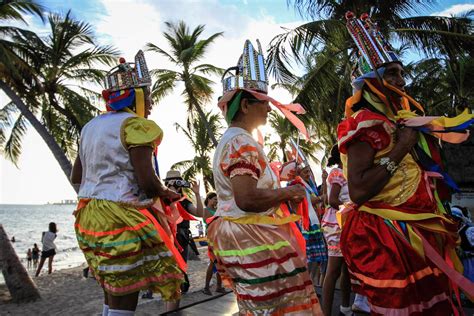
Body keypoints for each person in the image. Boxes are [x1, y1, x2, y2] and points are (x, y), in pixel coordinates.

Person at [337, 12, 472, 315]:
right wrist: (402, 147)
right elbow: (358, 191)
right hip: (387, 238)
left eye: (401, 73)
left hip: (414, 234)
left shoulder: (400, 121)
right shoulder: (365, 123)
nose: (401, 81)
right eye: (391, 74)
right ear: (371, 82)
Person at [207, 39, 322, 315]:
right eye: (264, 102)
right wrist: (287, 193)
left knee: (262, 304)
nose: (270, 109)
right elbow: (246, 198)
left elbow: (248, 183)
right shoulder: (241, 143)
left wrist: (281, 175)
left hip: (243, 233)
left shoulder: (235, 140)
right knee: (274, 305)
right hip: (252, 235)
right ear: (245, 106)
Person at [71, 51, 184, 315]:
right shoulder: (136, 125)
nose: (152, 104)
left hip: (88, 214)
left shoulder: (90, 127)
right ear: (138, 96)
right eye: (149, 96)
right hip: (120, 216)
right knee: (127, 294)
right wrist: (166, 192)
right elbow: (147, 182)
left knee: (111, 288)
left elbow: (77, 177)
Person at [320, 145, 352, 316]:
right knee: (333, 270)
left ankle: (345, 308)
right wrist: (352, 208)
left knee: (346, 269)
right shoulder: (338, 172)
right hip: (336, 224)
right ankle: (325, 312)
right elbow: (332, 200)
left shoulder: (347, 172)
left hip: (346, 222)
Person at [164, 171, 205, 294]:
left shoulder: (184, 201)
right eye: (174, 182)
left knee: (181, 266)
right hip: (167, 238)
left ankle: (180, 287)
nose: (177, 185)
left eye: (179, 182)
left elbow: (200, 214)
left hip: (182, 238)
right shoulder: (162, 200)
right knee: (169, 269)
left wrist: (197, 194)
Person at [201, 192, 225, 296]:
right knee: (213, 262)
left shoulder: (216, 210)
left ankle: (219, 286)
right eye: (214, 199)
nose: (216, 201)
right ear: (209, 199)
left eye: (217, 200)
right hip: (212, 238)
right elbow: (210, 221)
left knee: (220, 262)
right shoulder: (206, 210)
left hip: (219, 237)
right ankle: (206, 287)